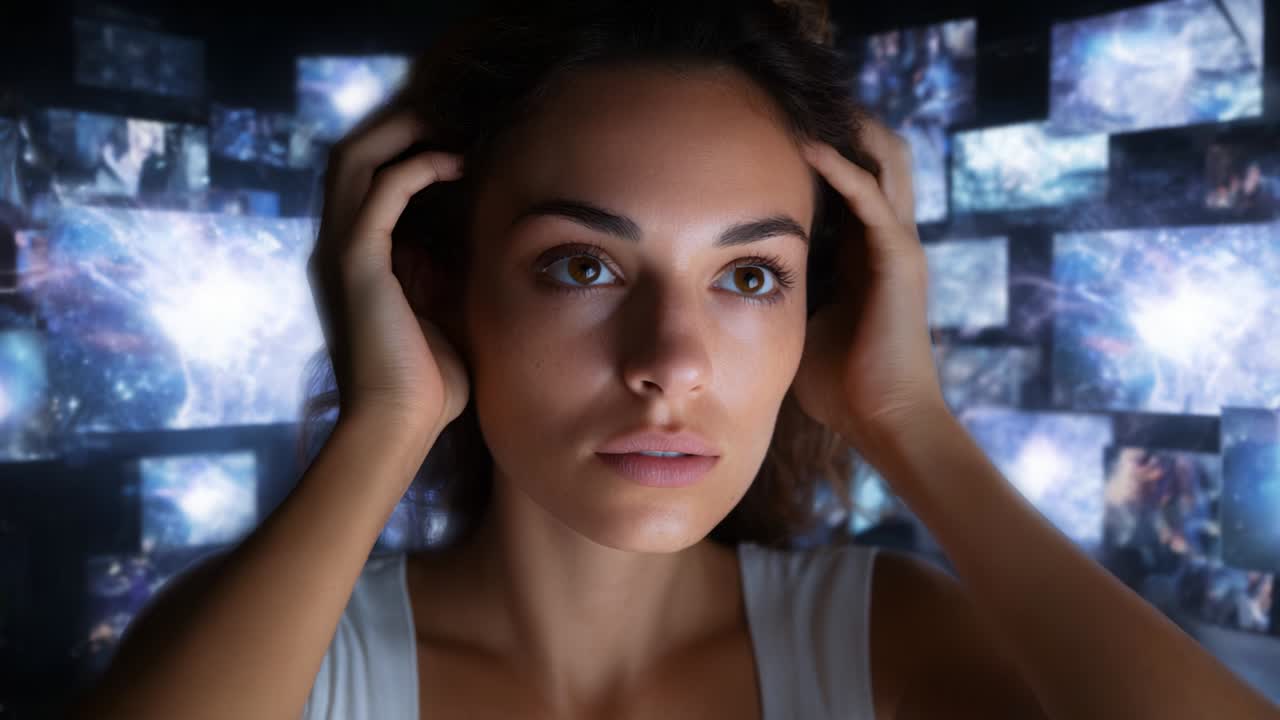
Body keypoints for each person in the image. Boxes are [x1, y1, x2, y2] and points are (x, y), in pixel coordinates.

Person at [68, 1, 1279, 719]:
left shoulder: (889, 645)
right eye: (581, 266)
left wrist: (907, 415)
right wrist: (384, 417)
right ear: (432, 280)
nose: (671, 361)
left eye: (748, 276)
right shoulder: (283, 663)